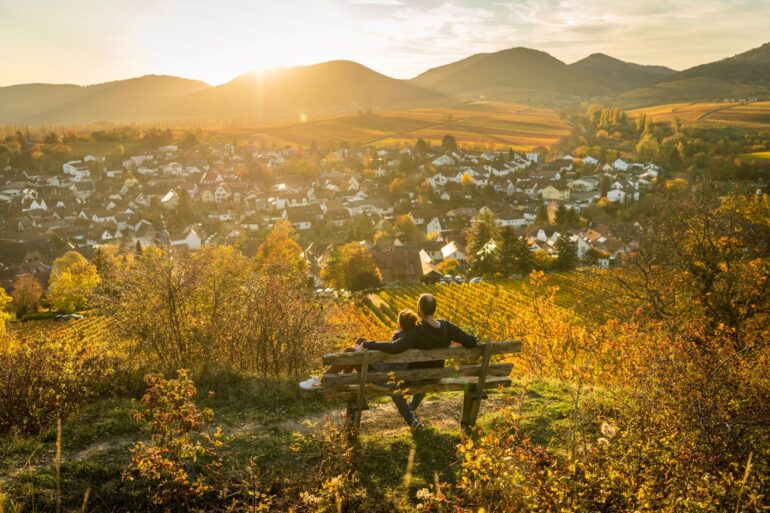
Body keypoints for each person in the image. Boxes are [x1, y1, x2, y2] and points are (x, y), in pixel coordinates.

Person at [357, 293, 477, 429]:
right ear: (434, 309)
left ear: (419, 309)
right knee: (402, 381)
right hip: (435, 377)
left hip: (414, 378)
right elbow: (472, 341)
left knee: (396, 384)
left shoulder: (417, 331)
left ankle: (410, 415)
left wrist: (369, 344)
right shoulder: (447, 327)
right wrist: (453, 344)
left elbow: (395, 347)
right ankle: (412, 408)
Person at [299, 309, 419, 390]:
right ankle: (343, 377)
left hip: (381, 378)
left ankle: (321, 380)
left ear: (401, 323)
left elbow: (391, 348)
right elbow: (389, 350)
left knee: (349, 352)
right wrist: (366, 345)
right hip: (384, 372)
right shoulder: (409, 337)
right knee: (360, 340)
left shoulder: (401, 339)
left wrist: (368, 346)